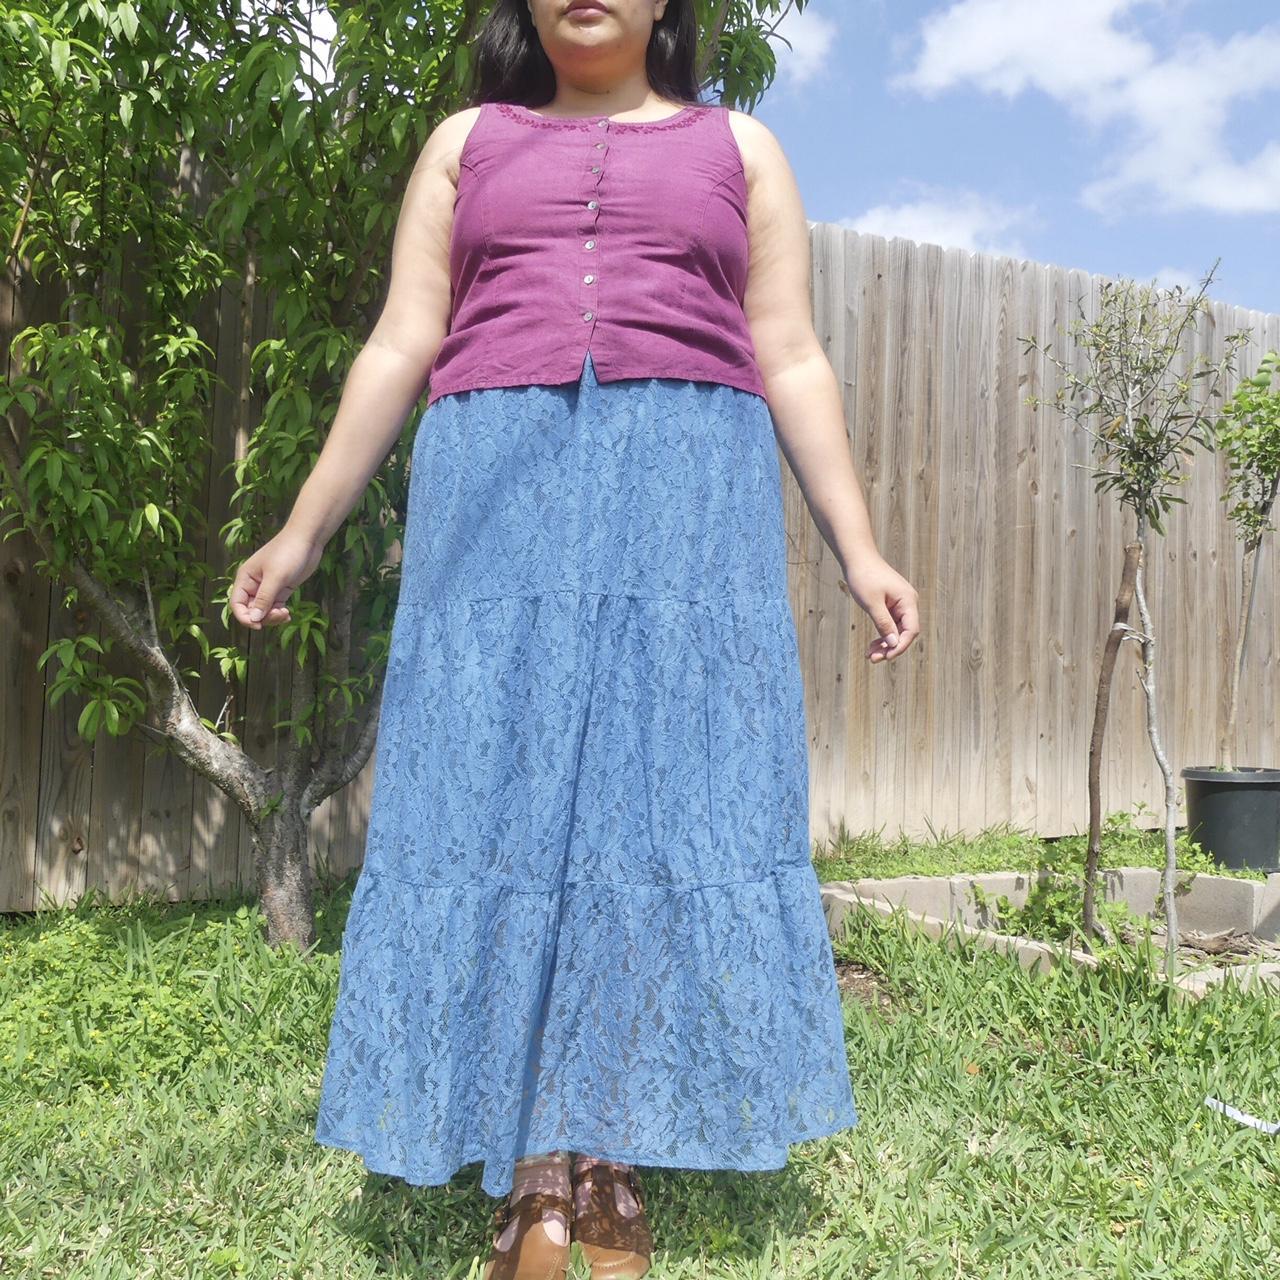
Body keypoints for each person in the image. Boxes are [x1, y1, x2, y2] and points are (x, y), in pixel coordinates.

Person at [229, 1, 919, 1276]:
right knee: (498, 800)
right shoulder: (464, 142)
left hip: (687, 500)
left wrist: (857, 546)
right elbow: (399, 339)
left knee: (652, 809)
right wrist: (305, 527)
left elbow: (790, 352)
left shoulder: (742, 151)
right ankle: (538, 1168)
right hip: (497, 489)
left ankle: (602, 1156)